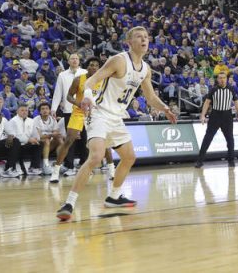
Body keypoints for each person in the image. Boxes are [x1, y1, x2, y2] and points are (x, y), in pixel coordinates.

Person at [56, 26, 176, 222]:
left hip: (116, 118)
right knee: (96, 157)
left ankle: (114, 196)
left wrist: (165, 108)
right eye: (139, 37)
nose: (144, 40)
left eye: (146, 37)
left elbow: (150, 97)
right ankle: (68, 203)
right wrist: (87, 97)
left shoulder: (145, 69)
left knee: (129, 157)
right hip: (99, 113)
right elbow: (91, 81)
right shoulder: (119, 60)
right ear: (129, 42)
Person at [50, 55, 90, 183]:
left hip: (86, 112)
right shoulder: (62, 75)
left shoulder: (86, 73)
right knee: (69, 140)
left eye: (76, 58)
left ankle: (85, 165)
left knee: (85, 139)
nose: (74, 60)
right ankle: (69, 165)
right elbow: (58, 92)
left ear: (79, 61)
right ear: (68, 61)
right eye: (72, 58)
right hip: (69, 110)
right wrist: (54, 108)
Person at [194, 71, 238, 168]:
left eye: (224, 78)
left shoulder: (231, 89)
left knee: (230, 139)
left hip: (227, 116)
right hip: (215, 115)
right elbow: (207, 103)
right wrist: (203, 115)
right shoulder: (213, 89)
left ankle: (231, 161)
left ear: (226, 79)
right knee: (207, 138)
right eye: (220, 78)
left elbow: (236, 102)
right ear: (217, 79)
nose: (222, 80)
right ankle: (200, 161)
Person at [32, 102, 63, 175]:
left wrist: (54, 135)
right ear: (40, 111)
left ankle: (59, 163)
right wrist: (51, 134)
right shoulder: (36, 120)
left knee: (59, 139)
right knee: (46, 140)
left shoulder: (53, 119)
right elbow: (39, 136)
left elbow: (56, 132)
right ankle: (45, 165)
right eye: (42, 109)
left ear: (49, 110)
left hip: (50, 144)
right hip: (38, 145)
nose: (45, 110)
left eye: (46, 108)